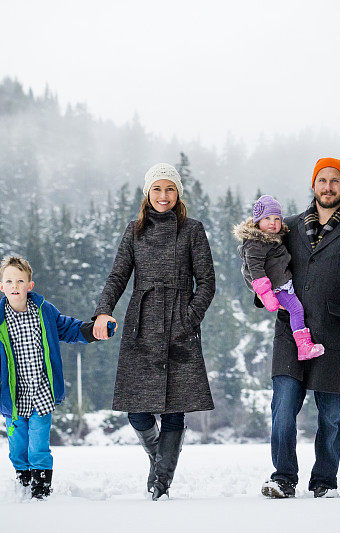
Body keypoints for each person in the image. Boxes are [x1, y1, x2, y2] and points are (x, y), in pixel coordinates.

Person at [260, 157, 340, 499]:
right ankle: (283, 477)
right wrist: (263, 293)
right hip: (291, 330)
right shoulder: (287, 227)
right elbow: (261, 262)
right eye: (322, 180)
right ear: (312, 184)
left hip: (335, 333)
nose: (327, 187)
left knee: (330, 417)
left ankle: (325, 482)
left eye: (335, 181)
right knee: (283, 409)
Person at [92, 162, 216, 500]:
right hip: (142, 323)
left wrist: (189, 317)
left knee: (175, 407)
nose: (164, 195)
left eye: (170, 189)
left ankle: (160, 481)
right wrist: (103, 311)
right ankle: (160, 458)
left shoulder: (193, 230)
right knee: (138, 409)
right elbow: (118, 277)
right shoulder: (134, 231)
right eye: (157, 189)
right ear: (147, 193)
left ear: (178, 194)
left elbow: (206, 283)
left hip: (180, 324)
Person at [0, 255, 102, 499]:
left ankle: (41, 493)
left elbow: (69, 328)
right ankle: (22, 486)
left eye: (20, 281)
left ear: (29, 286)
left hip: (42, 393)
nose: (15, 286)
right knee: (18, 449)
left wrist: (92, 331)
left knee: (39, 447)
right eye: (9, 281)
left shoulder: (45, 312)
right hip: (13, 398)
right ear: (1, 286)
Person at [233, 194, 324, 360]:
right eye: (267, 218)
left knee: (297, 310)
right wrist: (266, 294)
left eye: (276, 219)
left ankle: (304, 346)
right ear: (257, 221)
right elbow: (255, 270)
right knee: (296, 310)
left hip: (282, 283)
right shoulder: (256, 243)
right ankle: (303, 347)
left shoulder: (273, 238)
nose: (272, 223)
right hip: (275, 287)